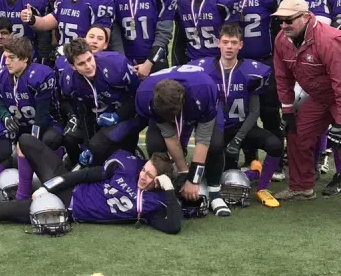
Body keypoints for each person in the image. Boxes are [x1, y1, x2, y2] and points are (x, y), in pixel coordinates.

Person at [0, 134, 181, 235]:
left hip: (62, 210)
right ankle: (24, 192)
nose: (142, 176)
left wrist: (169, 190)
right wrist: (48, 186)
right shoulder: (126, 171)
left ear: (160, 181)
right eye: (144, 170)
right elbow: (83, 175)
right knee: (26, 141)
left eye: (149, 175)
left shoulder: (155, 205)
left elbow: (173, 226)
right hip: (67, 189)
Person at [191, 24, 283, 208]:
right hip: (215, 129)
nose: (229, 47)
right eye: (225, 42)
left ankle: (262, 187)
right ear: (218, 43)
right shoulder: (203, 68)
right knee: (222, 175)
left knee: (275, 145)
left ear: (241, 45)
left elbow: (255, 111)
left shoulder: (252, 71)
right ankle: (254, 172)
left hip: (240, 127)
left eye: (234, 43)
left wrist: (238, 140)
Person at [135, 65, 228, 216]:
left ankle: (214, 192)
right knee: (155, 144)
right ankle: (166, 187)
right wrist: (184, 173)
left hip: (197, 99)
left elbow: (203, 139)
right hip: (165, 106)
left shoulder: (204, 90)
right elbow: (169, 136)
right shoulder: (145, 94)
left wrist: (194, 180)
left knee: (215, 144)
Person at [273, 0, 341, 200]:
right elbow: (282, 77)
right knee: (297, 133)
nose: (284, 25)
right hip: (320, 96)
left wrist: (340, 121)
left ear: (305, 17)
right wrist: (287, 110)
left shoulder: (328, 39)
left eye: (289, 20)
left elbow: (340, 81)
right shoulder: (281, 40)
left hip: (337, 94)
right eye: (280, 20)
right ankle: (302, 186)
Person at [226, 0, 286, 177]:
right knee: (240, 114)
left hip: (264, 60)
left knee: (270, 113)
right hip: (238, 64)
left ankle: (276, 161)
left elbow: (280, 25)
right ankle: (250, 158)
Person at [58, 39, 141, 167]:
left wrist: (118, 115)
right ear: (73, 66)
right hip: (95, 114)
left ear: (92, 54)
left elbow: (138, 96)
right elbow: (81, 110)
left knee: (106, 143)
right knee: (73, 140)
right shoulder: (68, 79)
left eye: (89, 59)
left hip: (127, 111)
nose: (88, 66)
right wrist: (88, 145)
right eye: (81, 63)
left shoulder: (117, 64)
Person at [110, 0, 178, 79]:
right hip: (126, 58)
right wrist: (122, 60)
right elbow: (114, 31)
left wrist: (148, 64)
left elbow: (164, 35)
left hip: (154, 59)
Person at [0, 36, 61, 150]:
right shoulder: (0, 77)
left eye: (11, 58)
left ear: (25, 58)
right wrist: (6, 116)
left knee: (49, 140)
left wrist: (31, 143)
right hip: (21, 124)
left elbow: (42, 117)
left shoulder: (39, 76)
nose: (7, 62)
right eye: (5, 57)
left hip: (47, 124)